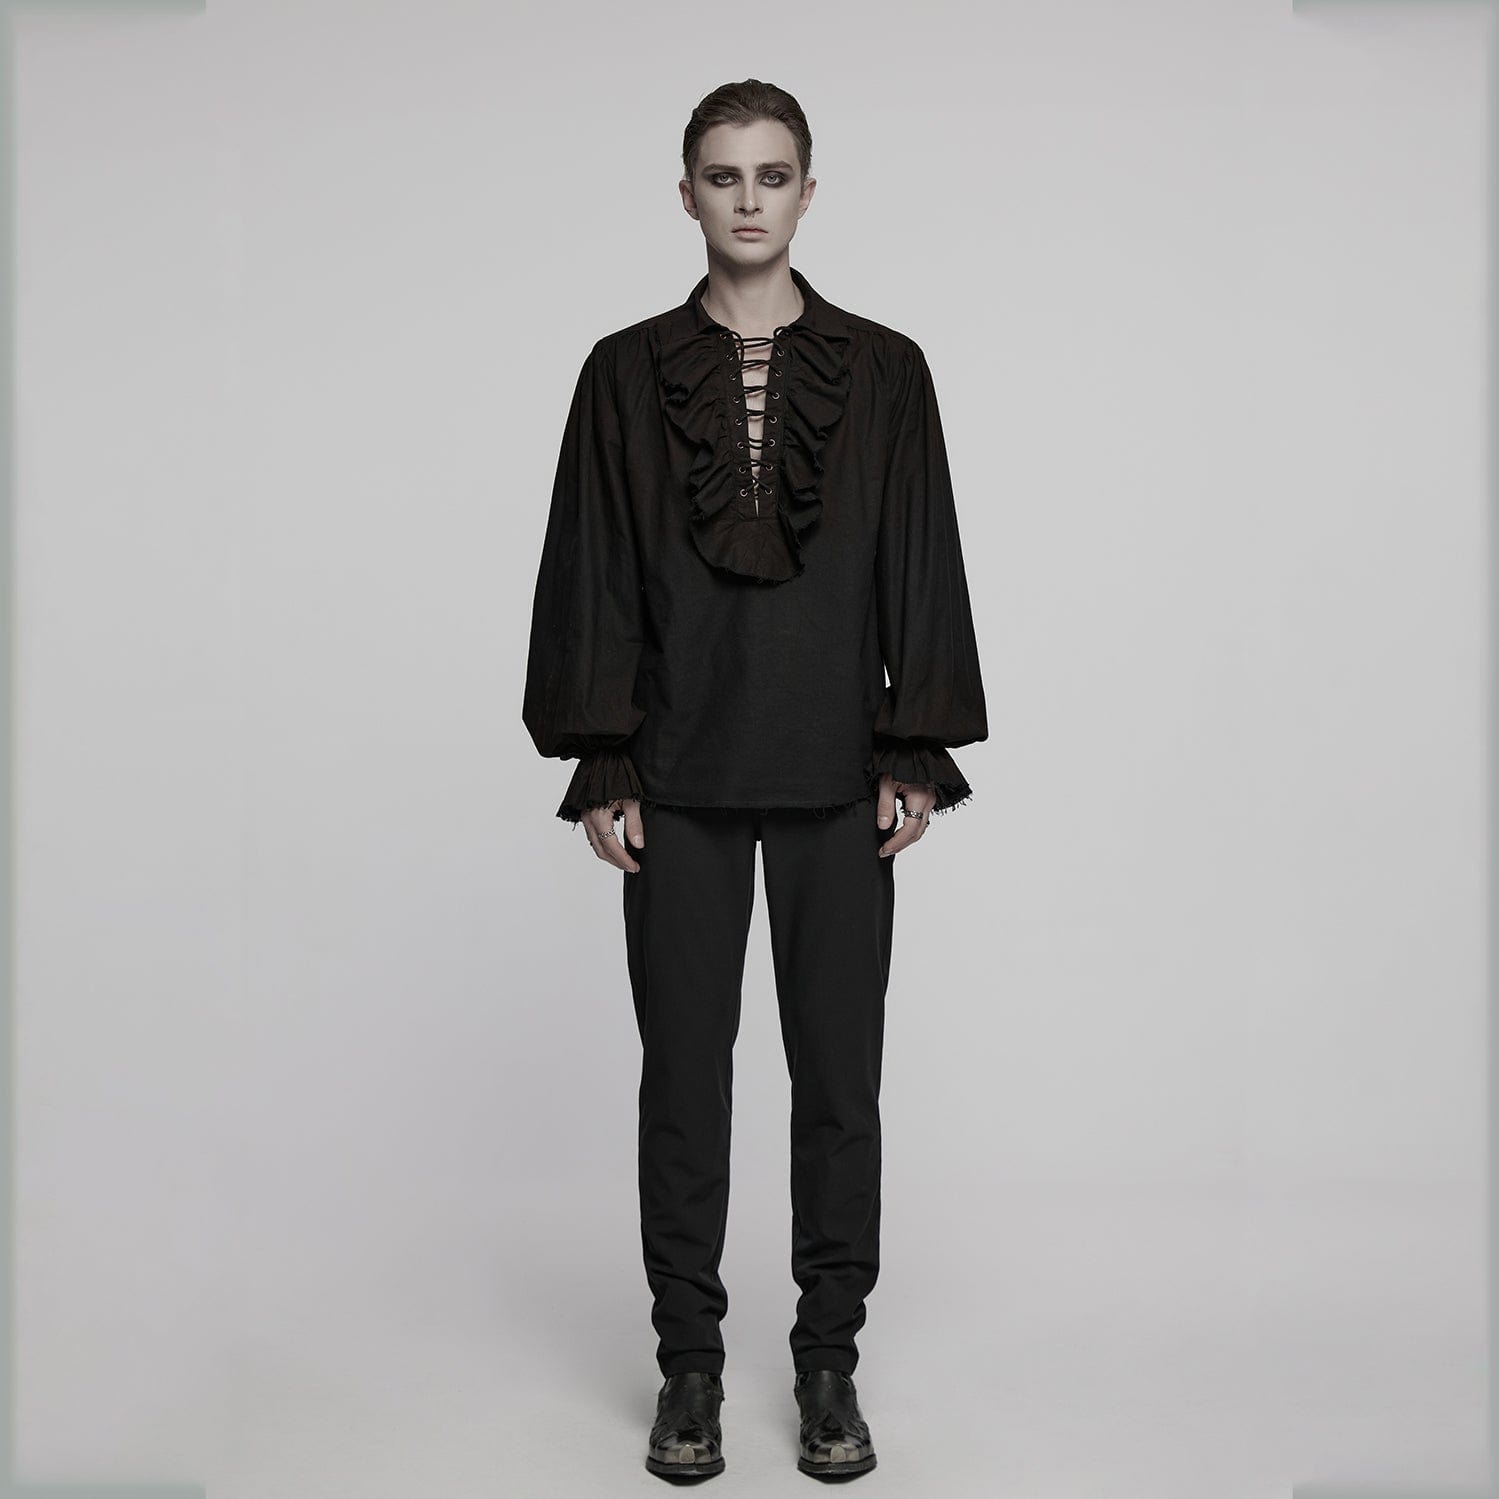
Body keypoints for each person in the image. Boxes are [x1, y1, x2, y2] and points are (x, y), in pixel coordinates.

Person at [522, 78, 988, 1483]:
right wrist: (605, 754)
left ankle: (828, 1358)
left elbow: (918, 550)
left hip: (840, 770)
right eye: (722, 175)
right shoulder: (623, 372)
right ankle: (690, 1366)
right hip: (678, 769)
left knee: (841, 1080)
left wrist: (913, 744)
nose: (746, 199)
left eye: (771, 175)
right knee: (686, 1082)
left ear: (806, 192)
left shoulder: (885, 370)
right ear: (685, 193)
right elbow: (596, 561)